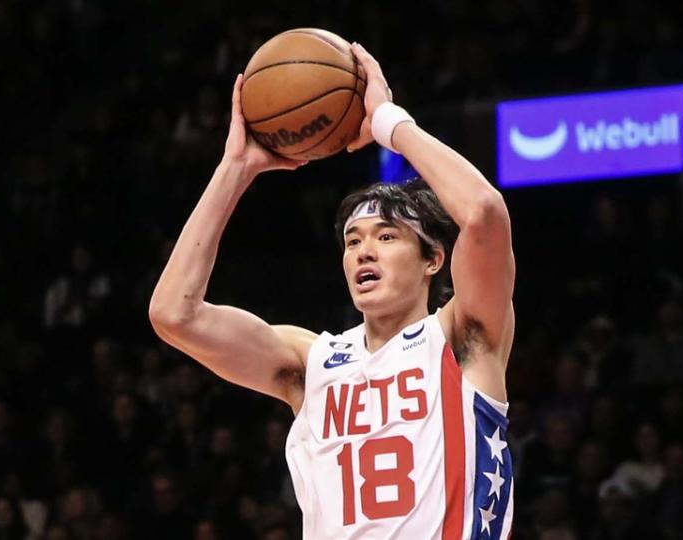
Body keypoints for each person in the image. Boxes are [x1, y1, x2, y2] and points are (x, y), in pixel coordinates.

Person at [149, 42, 516, 539]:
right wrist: (235, 169)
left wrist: (390, 124)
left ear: (433, 259)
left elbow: (484, 214)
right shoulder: (312, 361)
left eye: (387, 237)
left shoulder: (463, 336)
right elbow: (174, 314)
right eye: (353, 241)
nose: (365, 251)